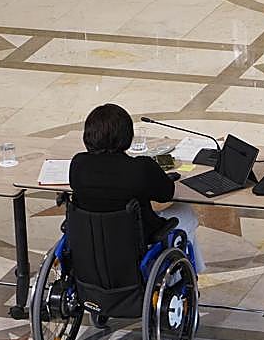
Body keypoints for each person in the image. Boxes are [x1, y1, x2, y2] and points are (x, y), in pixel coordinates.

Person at [69, 103, 205, 272]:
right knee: (185, 212)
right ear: (127, 136)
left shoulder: (78, 164)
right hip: (135, 240)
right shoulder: (141, 168)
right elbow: (166, 194)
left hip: (90, 240)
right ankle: (191, 278)